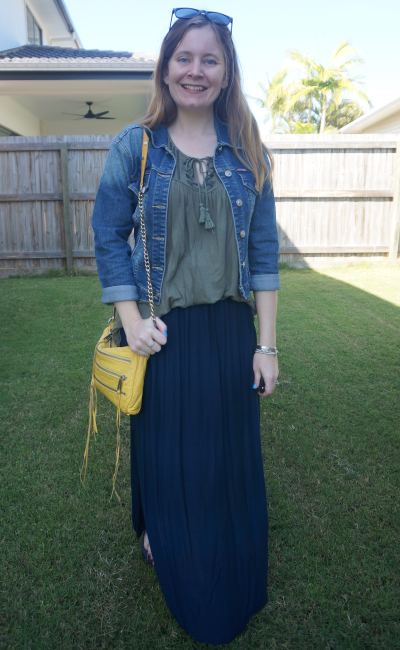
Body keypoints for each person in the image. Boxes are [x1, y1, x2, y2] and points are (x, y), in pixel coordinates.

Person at [92, 8, 280, 645]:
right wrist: (131, 320)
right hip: (162, 336)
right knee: (168, 453)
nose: (195, 70)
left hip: (229, 337)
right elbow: (108, 239)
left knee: (222, 461)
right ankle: (162, 539)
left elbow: (263, 255)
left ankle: (225, 555)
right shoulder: (135, 146)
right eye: (184, 57)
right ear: (165, 66)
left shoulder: (249, 151)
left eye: (210, 59)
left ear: (226, 73)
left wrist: (267, 346)